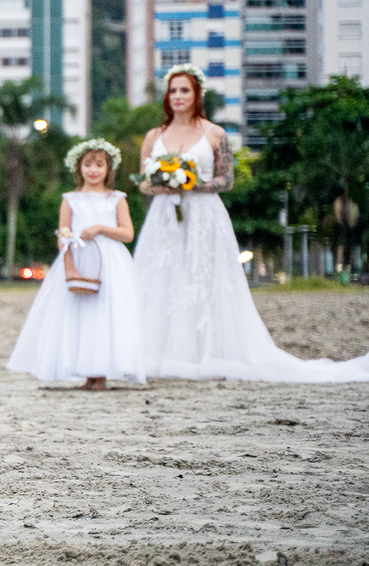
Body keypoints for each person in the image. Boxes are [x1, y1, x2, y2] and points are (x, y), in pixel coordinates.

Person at [134, 64, 369, 382]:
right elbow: (143, 184)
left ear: (196, 94)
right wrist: (164, 184)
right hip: (164, 216)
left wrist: (191, 183)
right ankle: (157, 351)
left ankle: (204, 352)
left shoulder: (215, 133)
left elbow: (226, 180)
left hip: (204, 214)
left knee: (202, 279)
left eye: (184, 90)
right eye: (172, 90)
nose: (178, 96)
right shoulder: (154, 136)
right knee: (163, 278)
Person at [7, 139, 144, 389]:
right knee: (78, 313)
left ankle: (101, 373)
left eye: (99, 164)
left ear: (108, 169)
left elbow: (127, 233)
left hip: (109, 261)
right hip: (77, 258)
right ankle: (86, 373)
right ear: (78, 168)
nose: (93, 170)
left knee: (105, 314)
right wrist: (67, 246)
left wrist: (101, 228)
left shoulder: (117, 199)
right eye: (88, 164)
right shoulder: (70, 199)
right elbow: (63, 231)